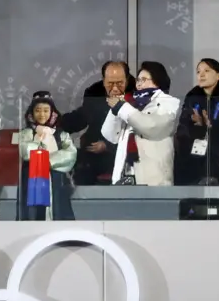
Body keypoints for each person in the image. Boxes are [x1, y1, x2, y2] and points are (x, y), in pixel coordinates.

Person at [101, 61, 179, 186]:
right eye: (138, 80)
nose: (139, 84)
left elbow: (150, 126)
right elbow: (109, 135)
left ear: (158, 81)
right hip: (124, 175)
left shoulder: (169, 103)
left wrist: (122, 108)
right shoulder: (131, 104)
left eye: (144, 79)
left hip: (153, 180)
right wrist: (116, 109)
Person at [59, 61, 136, 185]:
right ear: (103, 81)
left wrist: (108, 146)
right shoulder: (95, 96)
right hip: (94, 157)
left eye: (120, 83)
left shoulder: (137, 97)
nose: (115, 88)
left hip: (126, 157)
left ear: (127, 80)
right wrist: (55, 123)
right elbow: (81, 118)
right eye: (110, 84)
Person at [174, 58, 219, 185]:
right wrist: (196, 128)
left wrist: (213, 125)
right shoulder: (192, 98)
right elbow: (182, 129)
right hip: (195, 164)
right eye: (198, 72)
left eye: (207, 71)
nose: (201, 75)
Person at [18, 91, 76, 220]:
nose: (42, 114)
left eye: (46, 110)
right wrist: (38, 138)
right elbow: (25, 152)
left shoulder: (62, 135)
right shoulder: (26, 133)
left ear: (52, 112)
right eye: (38, 110)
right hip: (32, 179)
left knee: (58, 210)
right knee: (33, 213)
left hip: (56, 180)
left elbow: (71, 154)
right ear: (32, 113)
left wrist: (48, 161)